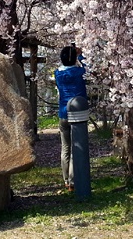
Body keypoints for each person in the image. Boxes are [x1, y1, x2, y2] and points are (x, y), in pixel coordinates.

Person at [54, 44, 87, 191]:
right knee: (76, 148)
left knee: (65, 148)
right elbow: (88, 68)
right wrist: (80, 56)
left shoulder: (57, 73)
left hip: (63, 114)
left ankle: (66, 179)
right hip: (77, 114)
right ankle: (73, 181)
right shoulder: (79, 72)